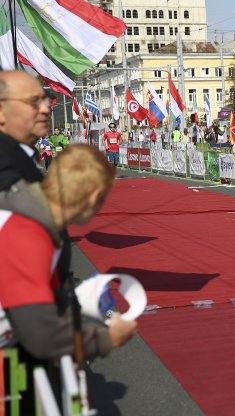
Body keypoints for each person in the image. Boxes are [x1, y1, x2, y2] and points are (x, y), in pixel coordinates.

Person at [0, 145, 136, 414]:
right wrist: (106, 338)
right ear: (95, 197)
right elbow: (40, 334)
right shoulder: (29, 231)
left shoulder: (34, 217)